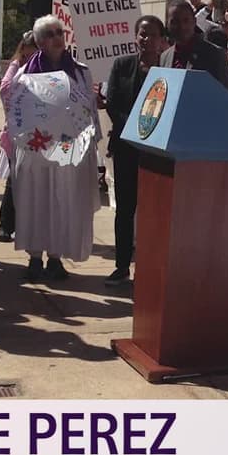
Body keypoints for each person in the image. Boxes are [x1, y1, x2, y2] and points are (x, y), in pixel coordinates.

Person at [8, 15, 102, 282]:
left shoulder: (81, 72)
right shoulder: (26, 74)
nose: (57, 38)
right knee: (35, 201)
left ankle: (56, 257)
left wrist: (90, 140)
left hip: (68, 151)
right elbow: (16, 110)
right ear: (39, 42)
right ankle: (35, 258)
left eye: (59, 32)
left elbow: (89, 109)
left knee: (64, 201)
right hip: (36, 151)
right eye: (49, 34)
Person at [101, 15, 166, 286]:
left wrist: (150, 133)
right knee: (125, 210)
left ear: (161, 40)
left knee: (152, 212)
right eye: (142, 34)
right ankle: (121, 266)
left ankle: (149, 268)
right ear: (135, 36)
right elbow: (112, 102)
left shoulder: (167, 69)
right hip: (127, 147)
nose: (146, 39)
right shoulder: (122, 64)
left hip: (157, 152)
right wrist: (135, 130)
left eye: (152, 35)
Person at [0, 31, 38, 242]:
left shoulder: (49, 67)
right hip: (19, 132)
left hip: (42, 134)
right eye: (28, 53)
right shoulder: (17, 66)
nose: (31, 57)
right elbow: (5, 89)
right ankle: (6, 225)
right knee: (14, 181)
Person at [161, 0, 228, 90]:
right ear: (167, 24)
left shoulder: (215, 55)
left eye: (186, 20)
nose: (181, 26)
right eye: (174, 22)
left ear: (194, 21)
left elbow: (226, 94)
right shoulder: (164, 57)